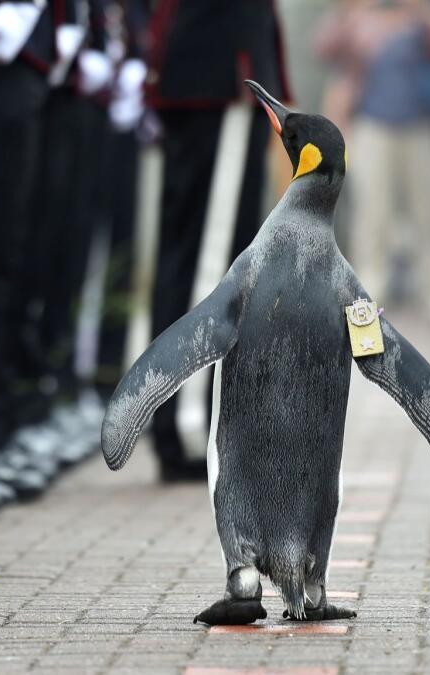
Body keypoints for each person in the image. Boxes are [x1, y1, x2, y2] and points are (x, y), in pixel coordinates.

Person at [144, 0, 291, 482]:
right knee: (209, 262)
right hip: (221, 73)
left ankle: (181, 419)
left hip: (211, 72)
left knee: (199, 254)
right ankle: (186, 422)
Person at [316, 0, 430, 323]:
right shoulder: (360, 14)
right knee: (373, 212)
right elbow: (324, 47)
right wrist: (352, 18)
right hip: (372, 124)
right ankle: (369, 290)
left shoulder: (422, 15)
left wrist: (424, 12)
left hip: (422, 125)